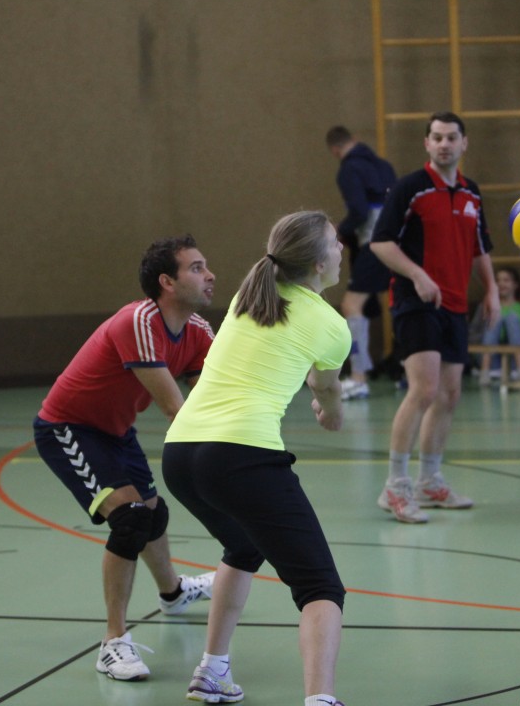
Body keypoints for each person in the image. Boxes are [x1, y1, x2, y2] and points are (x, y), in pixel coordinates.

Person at [162, 211, 351, 706]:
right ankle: (321, 700)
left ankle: (212, 670)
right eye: (335, 242)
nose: (342, 249)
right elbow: (326, 390)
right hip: (241, 455)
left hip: (181, 455)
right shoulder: (331, 325)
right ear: (317, 262)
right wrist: (331, 413)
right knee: (320, 588)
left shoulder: (250, 299)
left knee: (243, 546)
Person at [33, 235, 219, 682]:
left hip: (116, 432)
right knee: (131, 519)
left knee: (153, 515)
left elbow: (210, 401)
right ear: (167, 282)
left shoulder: (198, 331)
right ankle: (113, 643)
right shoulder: (138, 321)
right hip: (68, 428)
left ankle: (172, 593)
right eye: (196, 268)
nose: (210, 275)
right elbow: (177, 409)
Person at [370, 111, 500, 524]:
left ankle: (430, 480)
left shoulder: (472, 193)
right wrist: (418, 275)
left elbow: (480, 248)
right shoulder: (410, 188)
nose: (444, 144)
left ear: (464, 143)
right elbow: (380, 243)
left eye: (451, 137)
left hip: (456, 305)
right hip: (417, 300)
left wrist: (492, 290)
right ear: (427, 143)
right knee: (424, 390)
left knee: (449, 394)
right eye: (437, 137)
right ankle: (395, 486)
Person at [325, 126, 398, 401]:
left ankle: (358, 377)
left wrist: (338, 232)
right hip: (397, 242)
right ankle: (405, 369)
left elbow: (359, 210)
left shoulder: (348, 169)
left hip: (374, 243)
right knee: (397, 300)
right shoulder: (384, 166)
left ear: (335, 150)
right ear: (354, 140)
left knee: (351, 305)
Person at [474, 266, 520, 383]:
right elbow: (473, 333)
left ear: (515, 285)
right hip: (490, 357)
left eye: (506, 280)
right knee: (497, 316)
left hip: (517, 357)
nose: (501, 284)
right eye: (498, 280)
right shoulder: (485, 306)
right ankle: (485, 370)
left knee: (511, 318)